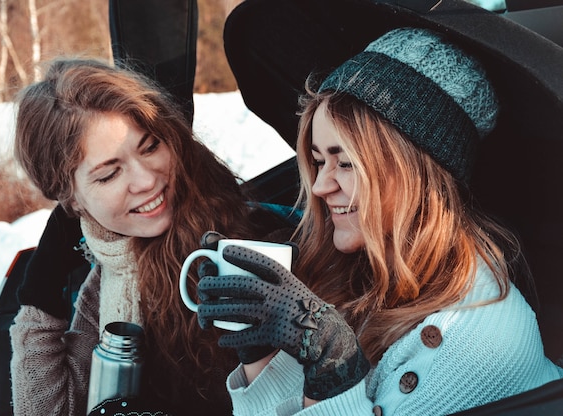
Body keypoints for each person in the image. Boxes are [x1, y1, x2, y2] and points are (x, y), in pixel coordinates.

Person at [195, 27, 563, 415]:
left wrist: (334, 372)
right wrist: (262, 354)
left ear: (416, 174)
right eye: (319, 161)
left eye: (346, 163)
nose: (320, 186)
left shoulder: (472, 337)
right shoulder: (359, 274)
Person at [9, 57, 294, 415]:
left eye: (150, 147)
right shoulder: (111, 279)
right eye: (109, 174)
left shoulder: (251, 244)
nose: (146, 180)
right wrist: (40, 290)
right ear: (71, 199)